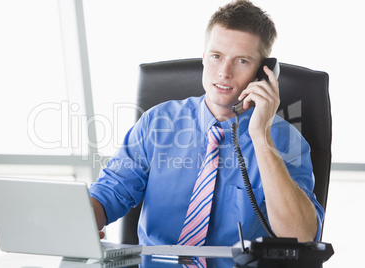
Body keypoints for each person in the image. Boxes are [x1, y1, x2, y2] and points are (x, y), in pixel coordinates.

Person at [89, 0, 324, 246]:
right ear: (203, 57)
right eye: (216, 56)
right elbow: (109, 194)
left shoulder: (287, 140)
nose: (224, 71)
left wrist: (261, 137)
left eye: (241, 61)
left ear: (263, 72)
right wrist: (82, 220)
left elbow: (302, 236)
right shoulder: (157, 123)